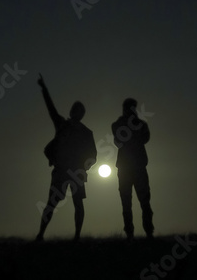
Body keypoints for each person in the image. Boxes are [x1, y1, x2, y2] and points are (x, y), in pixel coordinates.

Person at [36, 74, 97, 242]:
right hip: (62, 170)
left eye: (77, 110)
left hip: (75, 172)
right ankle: (41, 234)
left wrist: (83, 168)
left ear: (80, 114)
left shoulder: (86, 132)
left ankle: (76, 236)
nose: (74, 111)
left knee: (77, 204)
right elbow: (51, 109)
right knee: (52, 203)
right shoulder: (63, 124)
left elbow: (93, 155)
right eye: (74, 109)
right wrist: (44, 89)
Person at [112, 98, 154, 240]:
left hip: (134, 167)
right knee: (129, 202)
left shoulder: (135, 124)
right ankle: (133, 232)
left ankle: (145, 232)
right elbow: (119, 140)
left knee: (140, 201)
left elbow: (144, 138)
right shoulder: (121, 124)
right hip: (128, 168)